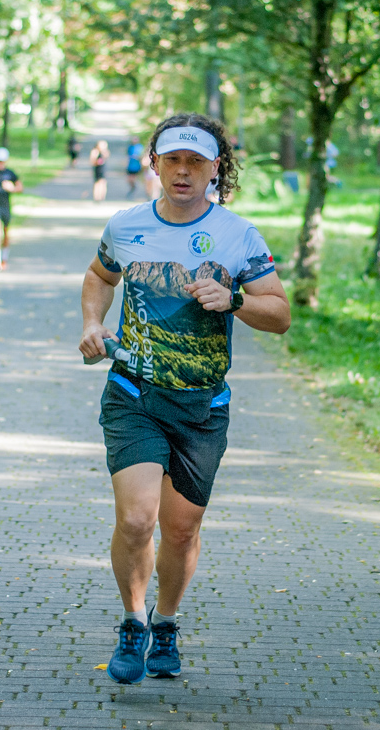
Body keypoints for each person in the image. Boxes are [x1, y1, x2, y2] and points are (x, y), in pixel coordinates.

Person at [78, 113, 291, 686]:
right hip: (134, 392)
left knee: (180, 529)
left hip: (202, 406)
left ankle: (166, 623)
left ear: (214, 168)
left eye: (195, 161)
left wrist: (234, 299)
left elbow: (280, 314)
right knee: (136, 520)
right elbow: (100, 276)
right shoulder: (126, 226)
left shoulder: (238, 235)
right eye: (172, 159)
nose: (182, 171)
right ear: (155, 163)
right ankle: (132, 622)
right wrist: (94, 324)